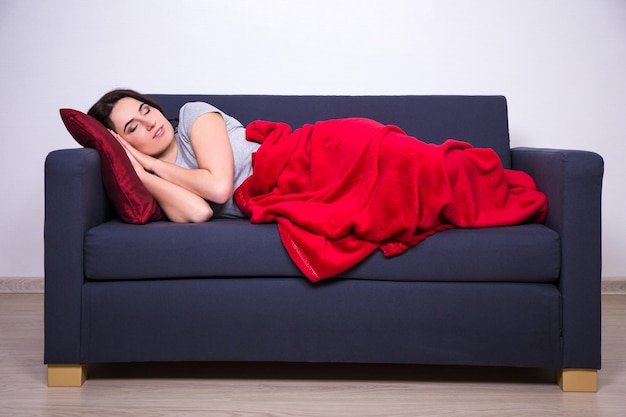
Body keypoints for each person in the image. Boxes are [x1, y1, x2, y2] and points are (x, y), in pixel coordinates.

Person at [88, 89, 259, 223]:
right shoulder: (156, 183)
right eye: (133, 127)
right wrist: (141, 175)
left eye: (146, 110)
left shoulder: (193, 115)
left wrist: (153, 164)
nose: (150, 123)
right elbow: (200, 212)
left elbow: (219, 189)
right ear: (122, 145)